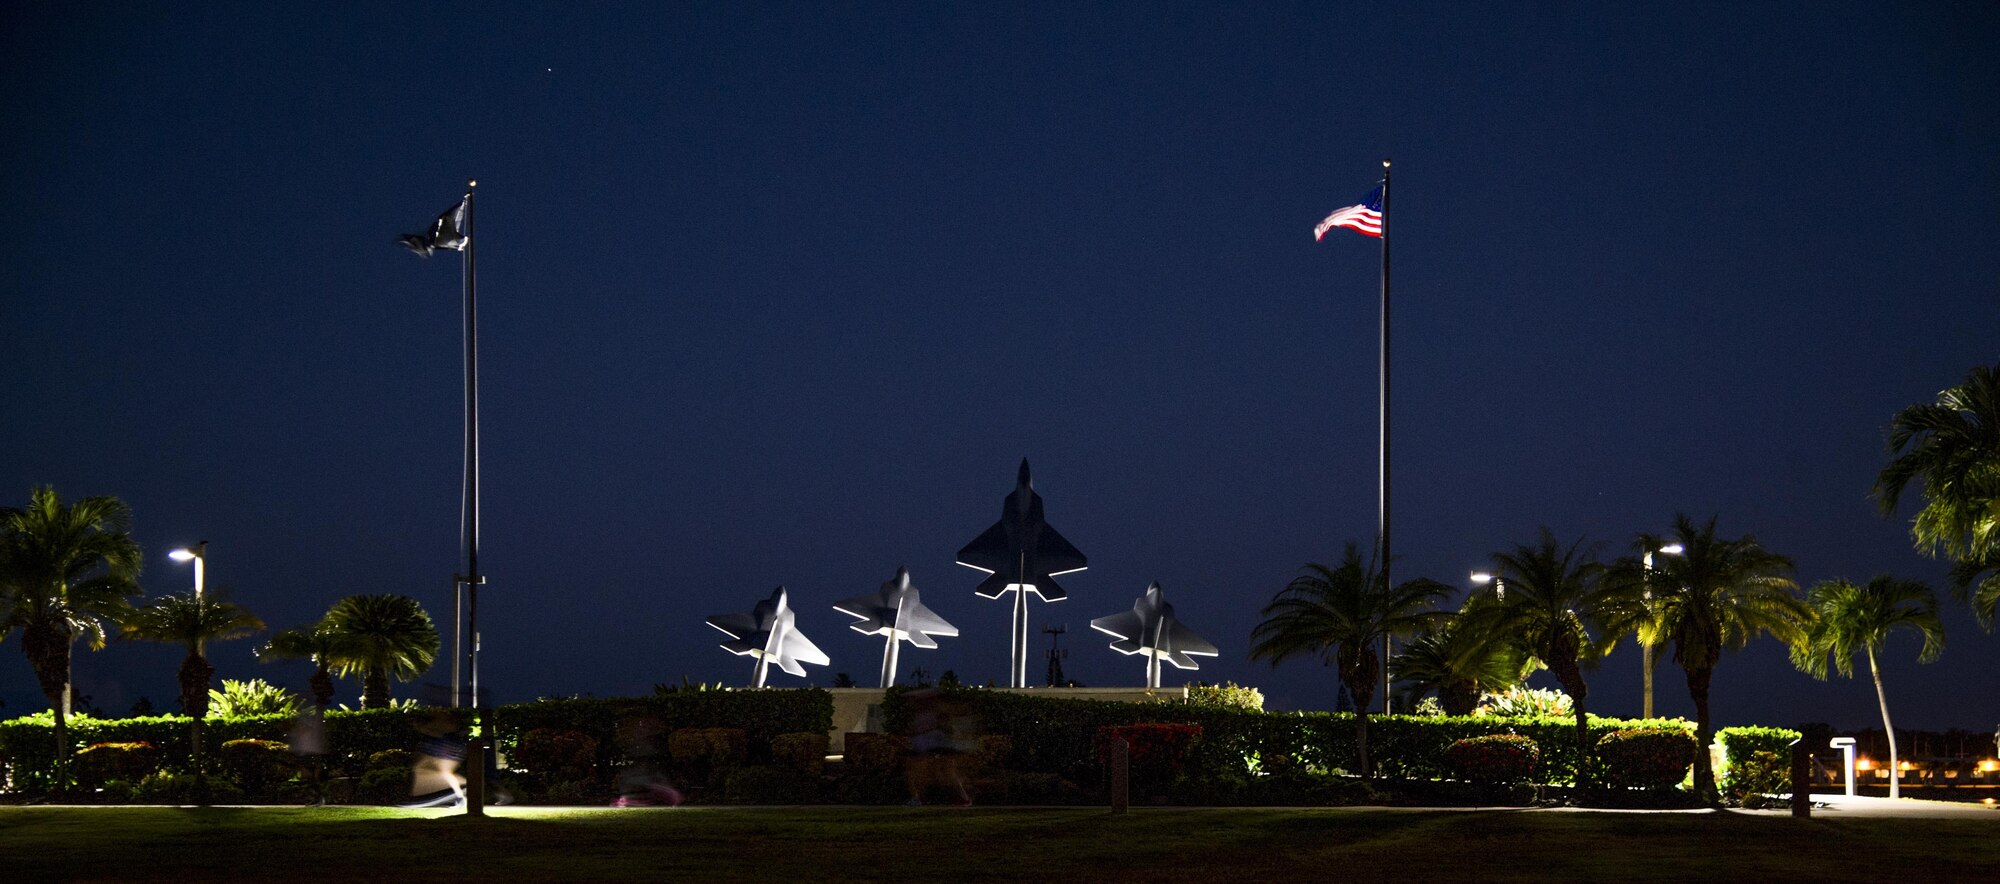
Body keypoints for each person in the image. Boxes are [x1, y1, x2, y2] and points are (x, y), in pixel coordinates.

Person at [902, 688, 972, 807]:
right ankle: (919, 798)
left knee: (943, 774)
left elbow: (944, 729)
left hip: (929, 747)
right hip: (926, 747)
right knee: (932, 774)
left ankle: (962, 797)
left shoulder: (935, 714)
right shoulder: (928, 714)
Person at [402, 709, 467, 808]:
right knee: (421, 770)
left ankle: (460, 793)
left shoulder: (441, 719)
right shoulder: (440, 719)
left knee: (442, 772)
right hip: (440, 747)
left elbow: (435, 730)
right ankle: (418, 797)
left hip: (444, 747)